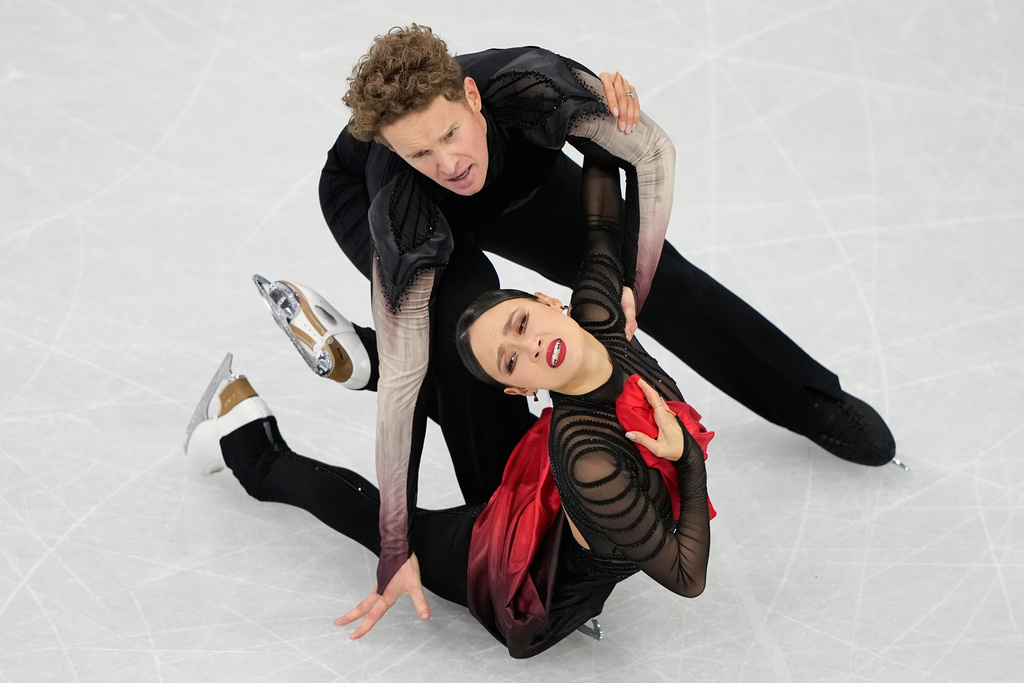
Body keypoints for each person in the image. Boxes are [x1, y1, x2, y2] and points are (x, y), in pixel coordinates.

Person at [300, 22, 895, 638]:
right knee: (465, 334)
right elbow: (405, 385)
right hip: (385, 206)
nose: (448, 163)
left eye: (451, 133)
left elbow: (652, 152)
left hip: (517, 183)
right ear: (398, 153)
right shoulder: (398, 208)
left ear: (474, 98)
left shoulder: (532, 85)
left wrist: (634, 284)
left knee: (663, 285)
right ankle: (528, 540)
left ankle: (812, 401)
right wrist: (395, 543)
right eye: (420, 152)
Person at [183, 168, 714, 655]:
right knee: (384, 524)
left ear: (549, 301)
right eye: (512, 360)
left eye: (524, 323)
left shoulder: (598, 316)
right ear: (515, 389)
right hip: (517, 574)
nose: (530, 347)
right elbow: (687, 576)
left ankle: (374, 362)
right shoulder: (588, 457)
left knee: (479, 362)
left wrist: (598, 118)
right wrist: (687, 459)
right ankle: (246, 440)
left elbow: (601, 224)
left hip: (544, 489)